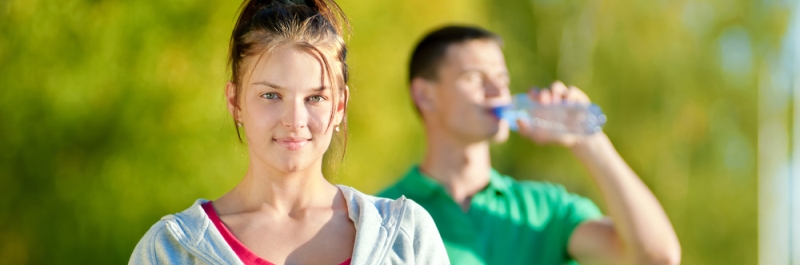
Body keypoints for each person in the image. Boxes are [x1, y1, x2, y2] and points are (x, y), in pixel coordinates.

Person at [129, 1, 449, 264]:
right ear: (234, 101)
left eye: (315, 98)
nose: (295, 120)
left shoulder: (405, 236)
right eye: (271, 95)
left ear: (339, 106)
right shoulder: (170, 250)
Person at [378, 25, 681, 265]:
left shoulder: (546, 210)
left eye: (502, 78)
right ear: (424, 95)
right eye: (476, 78)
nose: (498, 91)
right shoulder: (382, 217)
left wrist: (589, 141)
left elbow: (657, 257)